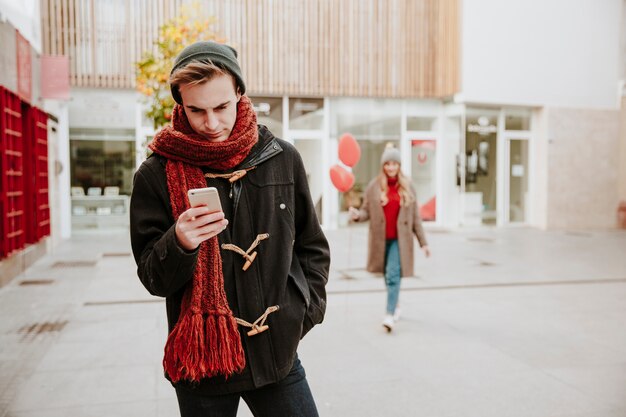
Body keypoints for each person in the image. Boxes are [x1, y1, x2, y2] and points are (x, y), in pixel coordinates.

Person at [130, 41, 330, 417]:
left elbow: (312, 245)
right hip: (201, 364)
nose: (211, 123)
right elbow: (152, 277)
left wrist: (303, 311)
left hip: (276, 355)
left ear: (239, 92)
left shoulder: (281, 158)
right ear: (180, 103)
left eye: (221, 107)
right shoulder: (155, 174)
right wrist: (180, 242)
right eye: (196, 110)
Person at [349, 144, 430, 332]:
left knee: (393, 274)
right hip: (380, 240)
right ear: (383, 165)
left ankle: (389, 314)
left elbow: (416, 218)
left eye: (394, 164)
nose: (391, 167)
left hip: (399, 242)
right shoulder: (374, 187)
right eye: (387, 164)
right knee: (387, 275)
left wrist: (423, 243)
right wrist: (356, 215)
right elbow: (366, 211)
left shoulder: (408, 187)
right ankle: (396, 304)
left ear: (399, 165)